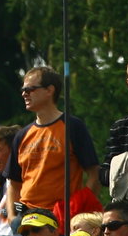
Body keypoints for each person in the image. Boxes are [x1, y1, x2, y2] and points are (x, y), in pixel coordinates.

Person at [7, 66, 99, 215]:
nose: (24, 94)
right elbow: (13, 183)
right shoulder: (22, 135)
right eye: (23, 90)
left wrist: (78, 210)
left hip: (61, 217)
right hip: (26, 217)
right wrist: (12, 217)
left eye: (30, 89)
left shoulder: (72, 126)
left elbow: (94, 174)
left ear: (49, 90)